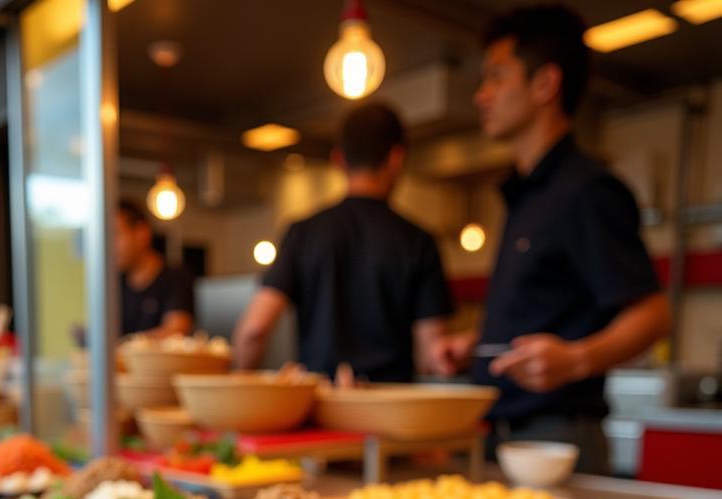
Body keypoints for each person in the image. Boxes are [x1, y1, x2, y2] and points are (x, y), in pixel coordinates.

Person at [447, 5, 669, 473]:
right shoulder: (524, 196)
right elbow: (546, 307)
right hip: (502, 434)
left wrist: (574, 360)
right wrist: (477, 342)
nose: (481, 95)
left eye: (496, 77)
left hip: (557, 437)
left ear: (545, 84)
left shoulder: (586, 190)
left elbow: (652, 314)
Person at [233, 102, 454, 381]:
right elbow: (431, 354)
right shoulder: (419, 241)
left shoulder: (303, 232)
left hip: (319, 405)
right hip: (388, 411)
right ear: (397, 158)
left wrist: (240, 386)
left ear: (338, 159)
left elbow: (254, 330)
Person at [117, 200, 195, 338]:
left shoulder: (175, 278)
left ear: (142, 234)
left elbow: (176, 331)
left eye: (116, 234)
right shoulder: (114, 285)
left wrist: (122, 344)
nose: (109, 245)